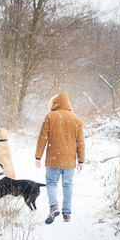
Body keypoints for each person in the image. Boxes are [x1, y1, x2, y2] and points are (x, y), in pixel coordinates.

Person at [35, 92, 85, 224]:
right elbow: (81, 142)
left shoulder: (50, 116)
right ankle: (67, 213)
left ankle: (54, 206)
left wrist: (38, 156)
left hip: (53, 158)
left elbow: (42, 138)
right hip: (69, 160)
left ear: (55, 103)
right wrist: (81, 160)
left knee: (51, 183)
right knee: (67, 185)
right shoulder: (76, 119)